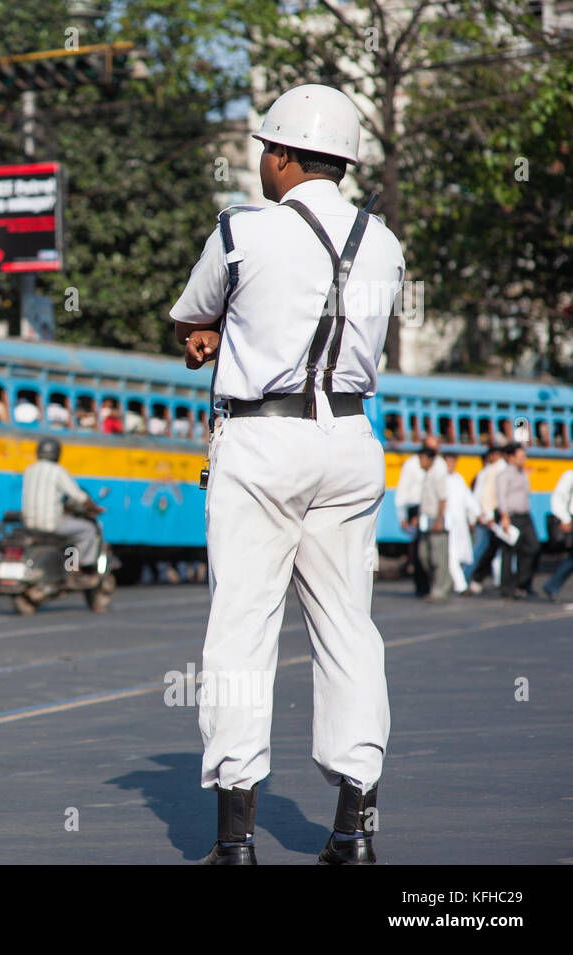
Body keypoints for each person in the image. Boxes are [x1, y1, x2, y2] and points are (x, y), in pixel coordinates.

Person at [171, 84, 404, 865]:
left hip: (262, 443)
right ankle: (354, 827)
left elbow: (192, 315)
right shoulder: (386, 243)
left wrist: (205, 339)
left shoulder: (242, 231)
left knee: (242, 630)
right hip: (349, 440)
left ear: (281, 157)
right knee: (348, 629)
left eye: (262, 155)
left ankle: (235, 841)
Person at [21, 437, 100, 565]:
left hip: (29, 524)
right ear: (57, 453)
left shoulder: (29, 470)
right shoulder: (57, 471)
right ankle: (77, 566)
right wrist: (94, 508)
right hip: (52, 525)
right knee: (88, 529)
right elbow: (78, 496)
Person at [394, 433, 441, 596]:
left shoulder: (439, 464)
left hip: (433, 510)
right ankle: (422, 586)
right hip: (416, 509)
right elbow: (403, 490)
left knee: (434, 550)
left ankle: (435, 584)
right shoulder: (412, 464)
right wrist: (402, 516)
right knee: (420, 549)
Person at [496, 443, 540, 599]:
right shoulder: (504, 475)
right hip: (512, 516)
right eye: (521, 456)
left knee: (533, 547)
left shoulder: (522, 473)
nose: (524, 459)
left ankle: (522, 582)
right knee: (509, 553)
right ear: (511, 457)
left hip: (525, 516)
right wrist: (504, 517)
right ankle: (507, 588)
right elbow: (501, 498)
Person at [469, 445, 506, 592]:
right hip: (491, 515)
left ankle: (494, 579)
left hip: (494, 515)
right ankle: (474, 578)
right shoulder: (491, 471)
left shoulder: (496, 469)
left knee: (492, 549)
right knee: (488, 549)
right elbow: (486, 497)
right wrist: (487, 516)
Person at [443, 452, 481, 594]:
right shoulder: (441, 478)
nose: (451, 465)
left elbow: (468, 498)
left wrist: (477, 513)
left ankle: (458, 581)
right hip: (447, 523)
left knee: (461, 554)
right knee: (451, 553)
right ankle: (461, 585)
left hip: (460, 522)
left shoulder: (458, 478)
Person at [417, 445, 451, 601]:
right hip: (426, 519)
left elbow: (443, 499)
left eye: (422, 458)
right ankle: (439, 584)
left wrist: (439, 520)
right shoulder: (427, 474)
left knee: (439, 556)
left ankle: (440, 588)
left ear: (430, 459)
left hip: (436, 519)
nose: (420, 462)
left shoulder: (438, 474)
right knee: (425, 555)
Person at [542, 467, 573, 601]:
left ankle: (551, 585)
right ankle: (552, 585)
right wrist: (565, 518)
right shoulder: (569, 475)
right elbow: (558, 497)